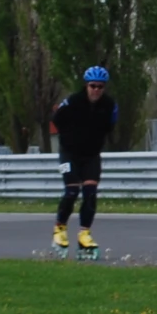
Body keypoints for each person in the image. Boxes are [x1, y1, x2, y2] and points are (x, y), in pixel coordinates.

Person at [50, 66, 118, 254]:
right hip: (69, 153)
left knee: (90, 192)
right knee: (72, 190)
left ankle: (84, 233)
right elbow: (56, 119)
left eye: (100, 87)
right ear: (86, 85)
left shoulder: (109, 105)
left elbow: (110, 127)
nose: (96, 90)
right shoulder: (73, 101)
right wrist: (70, 136)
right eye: (93, 86)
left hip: (91, 155)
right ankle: (60, 228)